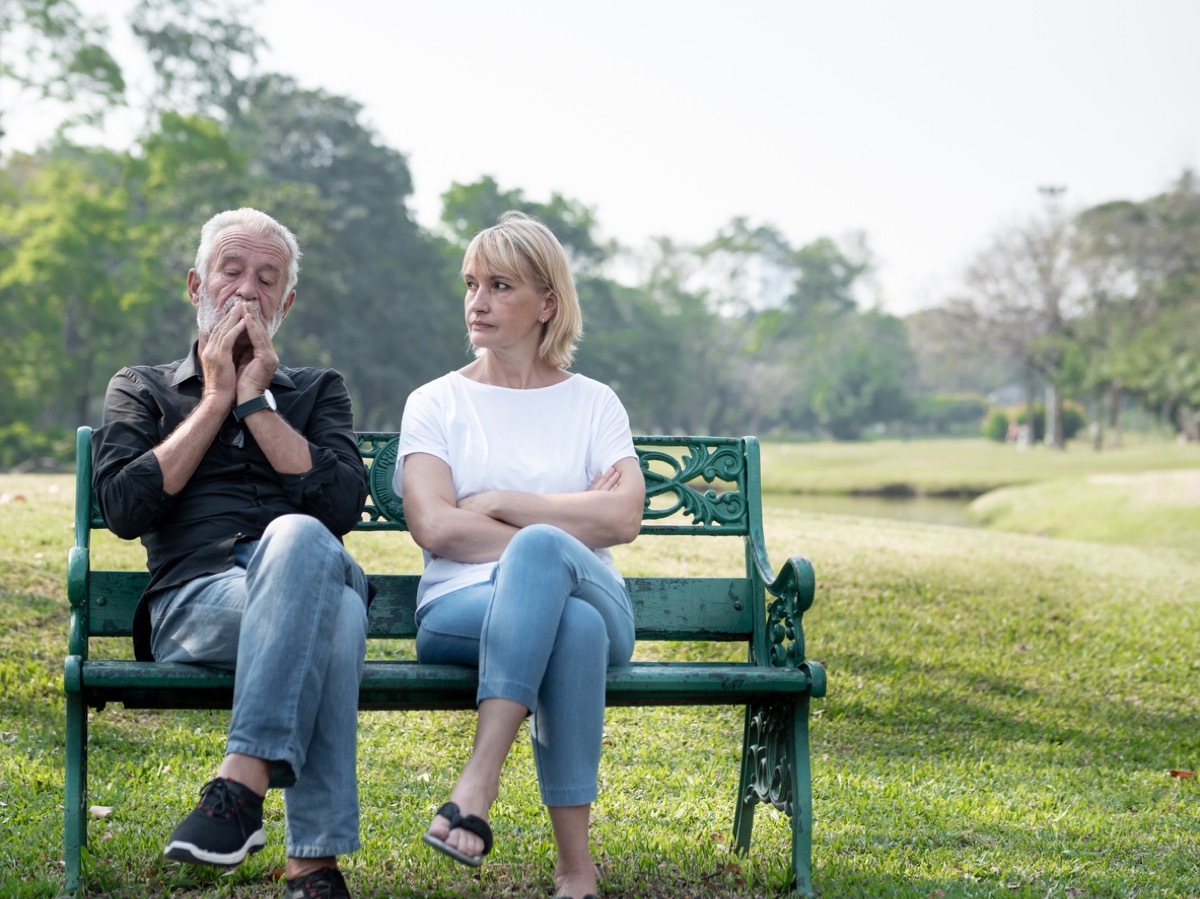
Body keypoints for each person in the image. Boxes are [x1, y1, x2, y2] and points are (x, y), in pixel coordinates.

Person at [92, 208, 369, 899]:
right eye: (232, 271)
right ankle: (314, 867)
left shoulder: (316, 390)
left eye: (267, 279)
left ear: (287, 304)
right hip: (197, 602)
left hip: (303, 576)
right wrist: (216, 397)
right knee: (336, 619)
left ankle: (238, 790)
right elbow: (125, 508)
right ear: (197, 285)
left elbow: (339, 507)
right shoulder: (141, 386)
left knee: (305, 536)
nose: (248, 291)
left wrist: (257, 404)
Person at [396, 211, 644, 899]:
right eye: (471, 283)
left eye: (500, 285)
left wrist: (506, 499)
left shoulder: (595, 404)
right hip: (459, 609)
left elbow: (623, 515)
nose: (478, 300)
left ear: (547, 304)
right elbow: (437, 527)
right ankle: (576, 873)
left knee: (554, 570)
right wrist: (567, 532)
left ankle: (479, 781)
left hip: (601, 596)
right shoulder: (436, 403)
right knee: (572, 624)